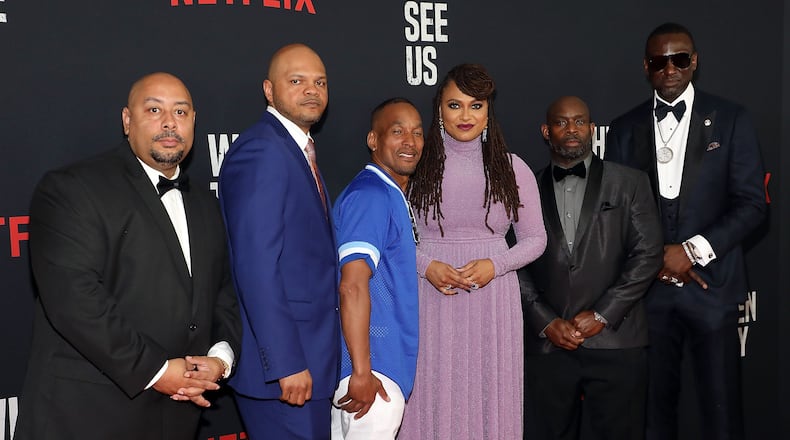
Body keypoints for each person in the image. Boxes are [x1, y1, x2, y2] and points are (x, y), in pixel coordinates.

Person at [16, 72, 241, 440]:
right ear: (127, 120)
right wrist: (156, 370)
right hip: (87, 416)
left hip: (178, 419)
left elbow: (223, 293)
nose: (170, 122)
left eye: (181, 112)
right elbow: (75, 301)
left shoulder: (206, 203)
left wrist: (220, 358)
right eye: (154, 109)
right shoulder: (72, 188)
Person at [605, 23, 767, 440]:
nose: (670, 69)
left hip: (712, 290)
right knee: (653, 416)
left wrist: (691, 251)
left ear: (694, 62)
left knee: (722, 412)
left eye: (679, 59)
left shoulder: (732, 119)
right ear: (646, 67)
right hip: (649, 294)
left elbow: (752, 205)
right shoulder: (624, 128)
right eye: (660, 61)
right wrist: (656, 257)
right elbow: (616, 212)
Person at [399, 63, 547, 439]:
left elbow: (535, 239)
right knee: (431, 393)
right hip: (429, 297)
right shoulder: (415, 166)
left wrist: (494, 266)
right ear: (439, 109)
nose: (465, 116)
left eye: (475, 105)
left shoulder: (512, 168)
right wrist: (426, 266)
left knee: (489, 395)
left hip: (492, 300)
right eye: (455, 105)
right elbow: (392, 239)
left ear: (488, 111)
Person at [521, 96, 663, 440]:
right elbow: (515, 262)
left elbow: (648, 254)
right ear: (546, 130)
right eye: (562, 122)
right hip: (549, 347)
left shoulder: (630, 182)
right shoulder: (523, 189)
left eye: (580, 122)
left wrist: (601, 314)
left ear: (592, 128)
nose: (572, 130)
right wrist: (545, 321)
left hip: (617, 340)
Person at [218, 43, 339, 440]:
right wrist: (285, 362)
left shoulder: (295, 149)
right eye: (297, 81)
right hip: (286, 373)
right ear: (269, 90)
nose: (312, 90)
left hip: (311, 360)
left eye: (319, 82)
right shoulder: (263, 150)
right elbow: (255, 266)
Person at [330, 98, 424, 439]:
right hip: (373, 372)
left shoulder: (388, 192)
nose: (409, 142)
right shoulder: (371, 195)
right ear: (374, 140)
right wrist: (362, 371)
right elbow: (351, 285)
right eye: (397, 131)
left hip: (376, 369)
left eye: (416, 132)